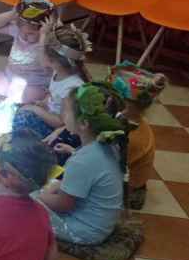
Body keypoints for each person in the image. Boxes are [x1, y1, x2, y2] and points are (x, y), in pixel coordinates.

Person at [36, 83, 129, 245]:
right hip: (100, 225)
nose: (62, 115)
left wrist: (40, 196)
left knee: (24, 198)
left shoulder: (81, 161)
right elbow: (93, 170)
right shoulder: (109, 143)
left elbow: (63, 205)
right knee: (51, 184)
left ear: (84, 123)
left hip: (82, 231)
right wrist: (72, 151)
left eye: (66, 111)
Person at [11, 20, 91, 162]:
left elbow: (62, 123)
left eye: (45, 54)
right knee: (20, 109)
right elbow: (53, 95)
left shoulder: (71, 88)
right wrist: (43, 102)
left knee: (23, 116)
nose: (42, 57)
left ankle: (24, 153)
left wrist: (35, 109)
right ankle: (22, 145)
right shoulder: (59, 71)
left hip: (59, 131)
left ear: (55, 60)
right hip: (51, 117)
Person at [107, 61, 166, 209]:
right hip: (122, 171)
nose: (106, 98)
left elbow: (109, 168)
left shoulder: (130, 136)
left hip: (128, 187)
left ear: (121, 102)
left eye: (111, 95)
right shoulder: (128, 121)